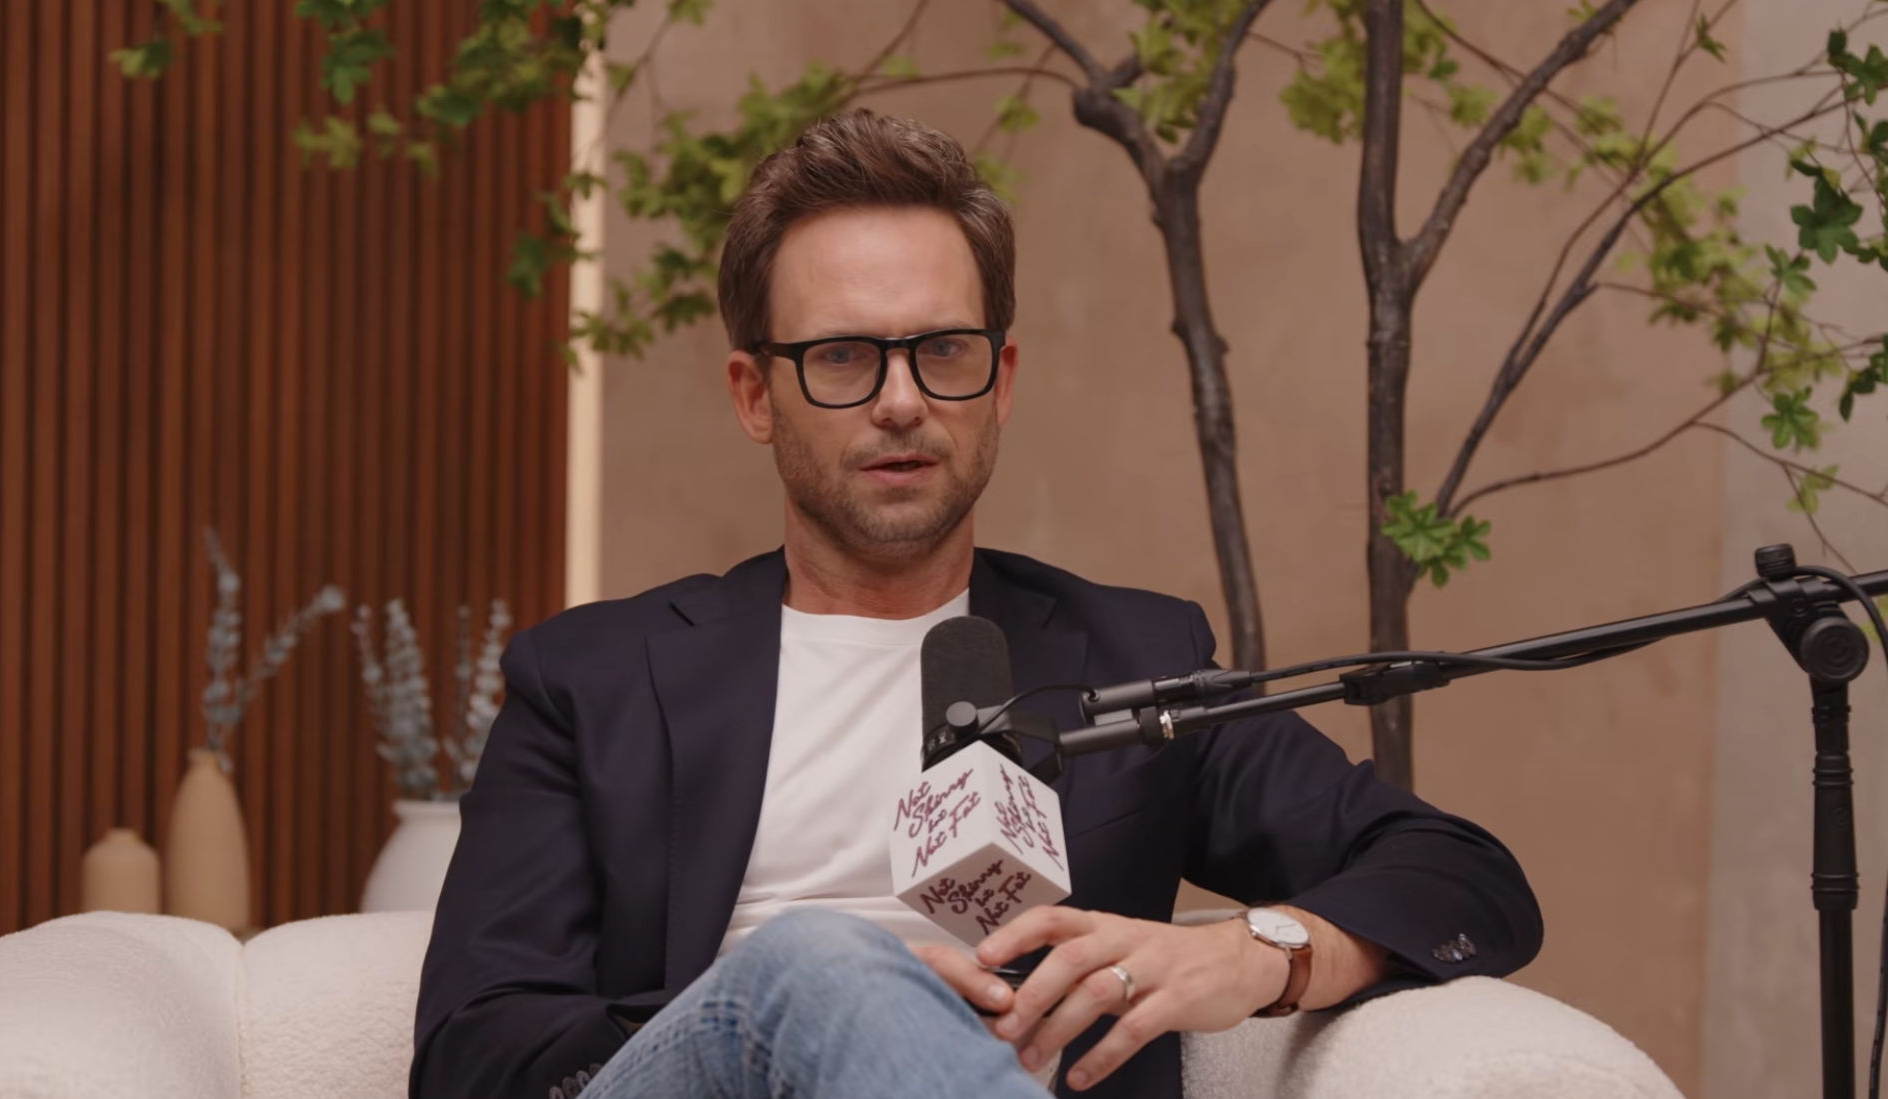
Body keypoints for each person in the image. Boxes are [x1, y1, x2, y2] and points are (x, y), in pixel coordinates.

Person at [410, 109, 1541, 1099]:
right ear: (756, 395)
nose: (902, 402)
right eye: (843, 357)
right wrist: (810, 1010)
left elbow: (1461, 877)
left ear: (998, 381)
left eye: (943, 351)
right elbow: (472, 1050)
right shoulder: (594, 680)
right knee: (817, 962)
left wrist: (1262, 952)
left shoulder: (1127, 655)